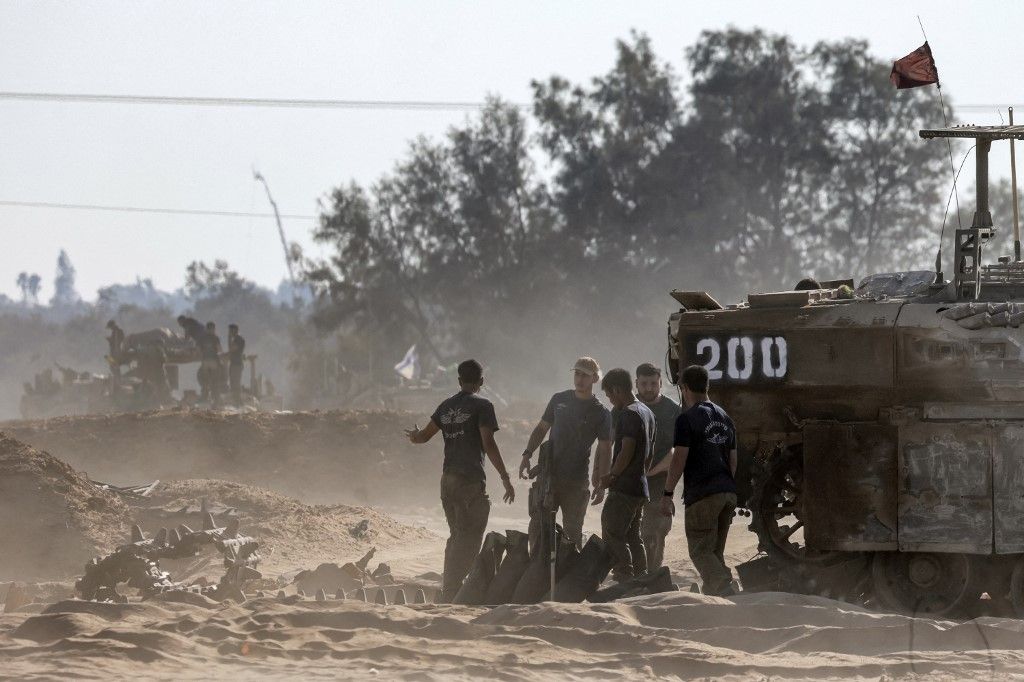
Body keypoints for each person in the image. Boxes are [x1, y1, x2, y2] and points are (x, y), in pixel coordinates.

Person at [404, 359, 515, 602]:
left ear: (458, 381)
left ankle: (450, 587)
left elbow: (423, 437)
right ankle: (454, 592)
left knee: (456, 535)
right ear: (481, 382)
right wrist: (505, 477)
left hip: (447, 481)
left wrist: (413, 436)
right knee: (469, 536)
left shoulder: (445, 406)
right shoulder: (483, 406)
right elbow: (489, 443)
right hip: (469, 481)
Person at [519, 357, 612, 550]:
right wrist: (527, 454)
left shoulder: (601, 412)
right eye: (577, 373)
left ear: (594, 378)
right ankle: (537, 573)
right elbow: (541, 428)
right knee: (538, 527)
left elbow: (605, 449)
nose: (579, 379)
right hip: (549, 477)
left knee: (572, 533)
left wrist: (603, 483)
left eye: (585, 375)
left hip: (576, 481)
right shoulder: (559, 399)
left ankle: (567, 577)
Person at [661, 365, 738, 596]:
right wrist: (725, 486)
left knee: (699, 551)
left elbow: (679, 459)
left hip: (703, 494)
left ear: (684, 388)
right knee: (714, 552)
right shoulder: (726, 418)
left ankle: (725, 587)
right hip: (727, 491)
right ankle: (719, 596)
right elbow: (733, 460)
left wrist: (667, 493)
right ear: (707, 386)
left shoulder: (687, 419)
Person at [595, 368, 655, 581]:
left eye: (610, 395)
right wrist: (640, 474)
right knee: (632, 535)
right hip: (640, 486)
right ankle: (641, 577)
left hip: (624, 487)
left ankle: (625, 576)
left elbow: (626, 449)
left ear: (618, 390)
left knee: (612, 531)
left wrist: (612, 475)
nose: (610, 400)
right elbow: (650, 453)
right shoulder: (647, 412)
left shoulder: (629, 413)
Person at [635, 362, 681, 570]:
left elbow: (677, 450)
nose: (649, 388)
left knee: (656, 531)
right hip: (631, 479)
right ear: (637, 383)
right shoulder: (628, 407)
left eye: (653, 383)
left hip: (660, 478)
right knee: (630, 530)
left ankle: (652, 574)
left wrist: (651, 471)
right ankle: (633, 574)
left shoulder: (673, 411)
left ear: (660, 383)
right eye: (644, 383)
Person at [199, 321, 223, 403]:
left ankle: (204, 399)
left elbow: (198, 349)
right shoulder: (215, 338)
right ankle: (216, 399)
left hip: (205, 361)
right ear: (213, 328)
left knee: (205, 381)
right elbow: (219, 349)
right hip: (213, 361)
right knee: (215, 380)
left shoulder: (202, 338)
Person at [227, 323, 246, 406]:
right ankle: (237, 402)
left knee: (236, 383)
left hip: (237, 364)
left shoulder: (238, 339)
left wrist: (229, 339)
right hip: (234, 363)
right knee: (233, 383)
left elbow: (232, 348)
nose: (229, 332)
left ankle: (239, 403)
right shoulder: (236, 339)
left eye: (230, 330)